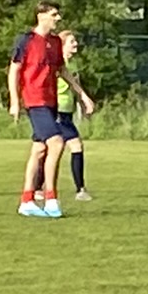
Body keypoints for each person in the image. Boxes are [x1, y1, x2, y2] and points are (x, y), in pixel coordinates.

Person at [9, 2, 95, 218]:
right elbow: (14, 70)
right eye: (54, 14)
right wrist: (14, 101)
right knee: (56, 143)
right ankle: (51, 199)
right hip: (34, 100)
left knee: (39, 149)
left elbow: (62, 70)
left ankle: (27, 201)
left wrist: (82, 95)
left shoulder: (55, 42)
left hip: (50, 102)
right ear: (41, 16)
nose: (58, 18)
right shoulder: (26, 40)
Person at [55, 30, 94, 202]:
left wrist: (84, 102)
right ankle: (80, 189)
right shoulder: (57, 64)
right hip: (56, 110)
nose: (76, 44)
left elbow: (75, 86)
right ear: (62, 45)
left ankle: (39, 187)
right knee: (75, 145)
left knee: (53, 149)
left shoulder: (73, 65)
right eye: (72, 41)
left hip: (67, 111)